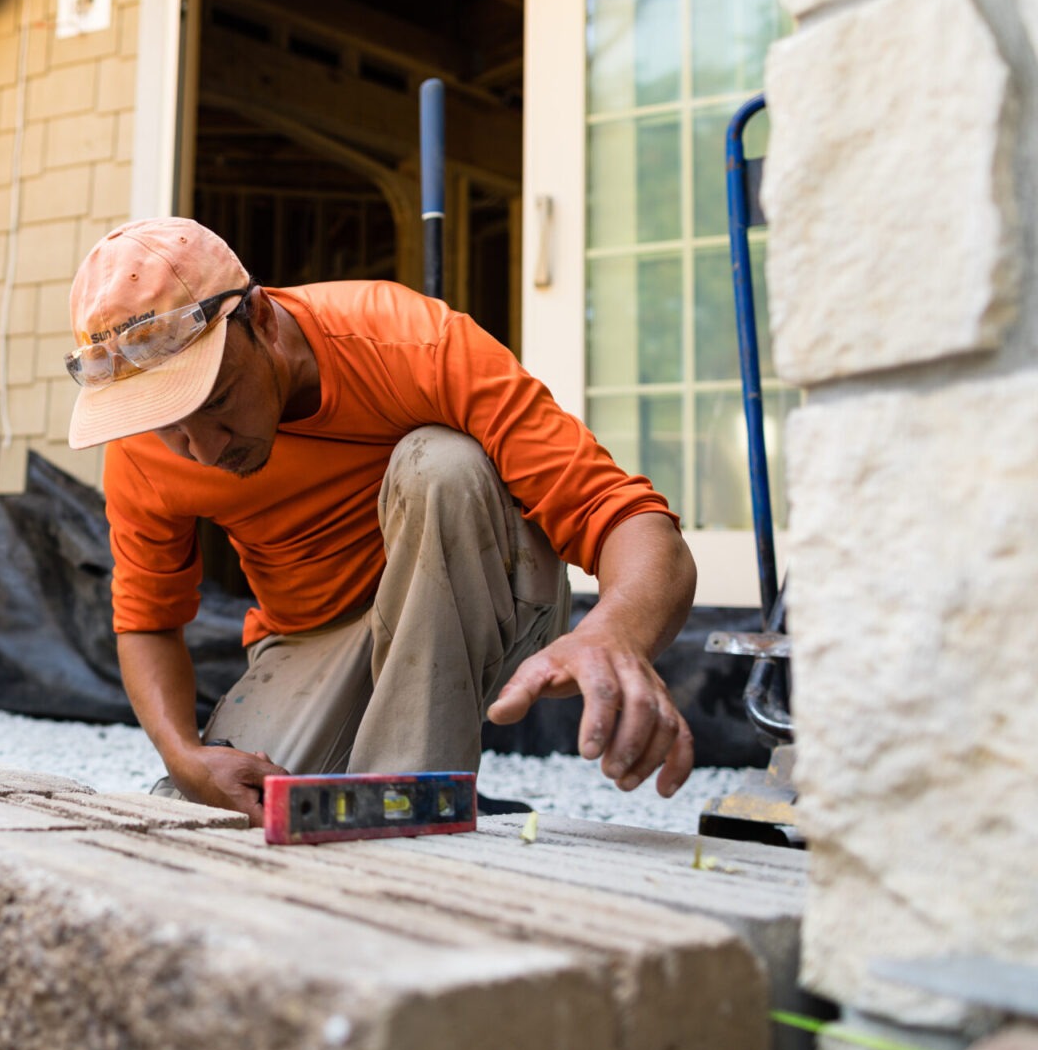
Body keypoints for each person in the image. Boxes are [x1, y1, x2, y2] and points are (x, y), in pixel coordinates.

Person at [66, 218, 698, 825]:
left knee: (444, 462)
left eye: (217, 399)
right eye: (169, 422)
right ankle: (421, 799)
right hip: (316, 636)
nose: (202, 449)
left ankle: (411, 807)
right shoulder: (142, 445)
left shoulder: (410, 342)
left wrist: (617, 634)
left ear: (260, 317)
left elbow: (629, 519)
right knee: (208, 815)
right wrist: (183, 757)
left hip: (491, 604)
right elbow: (147, 620)